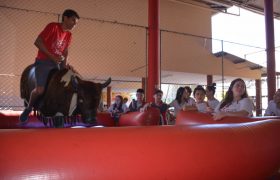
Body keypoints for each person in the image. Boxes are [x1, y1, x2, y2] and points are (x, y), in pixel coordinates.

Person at [19, 9, 80, 124]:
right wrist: (53, 57)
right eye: (73, 21)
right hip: (43, 62)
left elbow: (65, 52)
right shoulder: (53, 27)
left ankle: (58, 113)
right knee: (40, 90)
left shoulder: (69, 35)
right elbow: (37, 42)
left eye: (76, 23)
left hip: (56, 64)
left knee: (63, 87)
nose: (74, 25)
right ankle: (28, 108)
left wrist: (65, 66)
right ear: (65, 18)